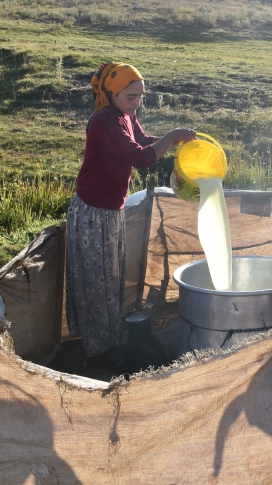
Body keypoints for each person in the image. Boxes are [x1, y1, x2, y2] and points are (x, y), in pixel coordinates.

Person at [67, 62, 196, 368]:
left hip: (111, 210)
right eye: (131, 97)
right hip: (92, 213)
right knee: (96, 282)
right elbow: (141, 158)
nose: (137, 103)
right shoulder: (103, 122)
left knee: (110, 279)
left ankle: (110, 340)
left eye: (140, 96)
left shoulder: (125, 115)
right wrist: (173, 135)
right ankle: (99, 351)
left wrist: (178, 144)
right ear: (111, 93)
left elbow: (143, 141)